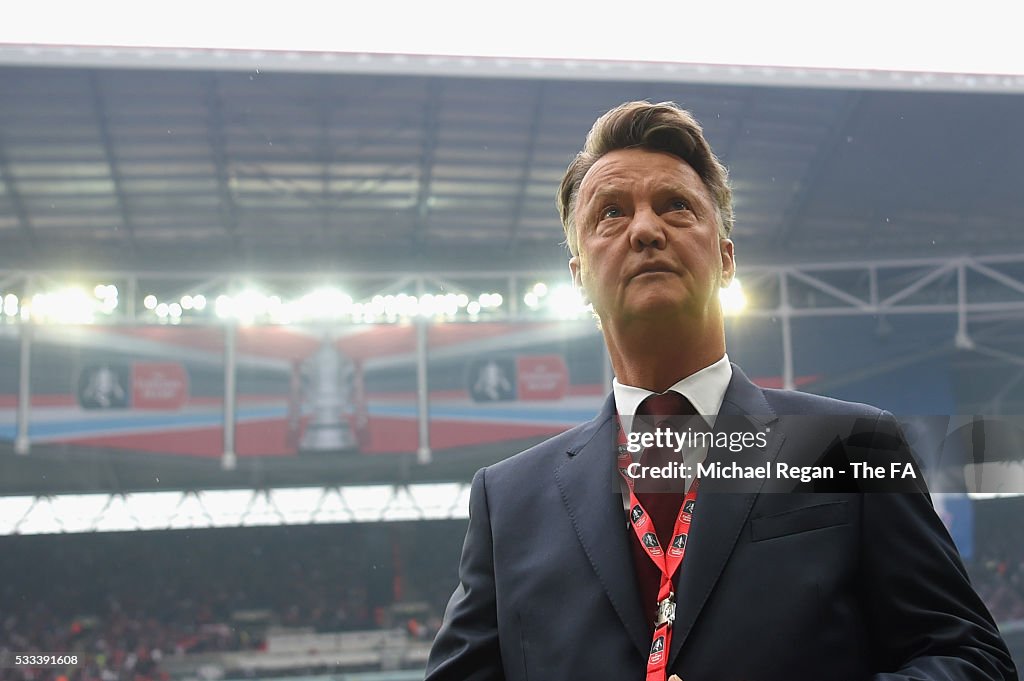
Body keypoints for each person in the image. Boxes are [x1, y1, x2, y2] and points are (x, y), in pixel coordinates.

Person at [424, 101, 1017, 681]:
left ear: (726, 259)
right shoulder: (508, 501)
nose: (647, 230)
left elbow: (974, 661)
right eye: (610, 213)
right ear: (579, 276)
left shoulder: (853, 446)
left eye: (676, 206)